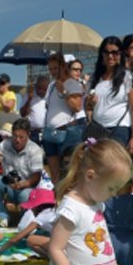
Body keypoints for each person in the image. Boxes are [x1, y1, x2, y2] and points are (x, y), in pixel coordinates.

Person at [0, 119, 44, 220]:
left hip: (27, 187)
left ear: (28, 135)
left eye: (21, 137)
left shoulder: (35, 150)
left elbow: (36, 177)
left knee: (25, 195)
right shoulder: (3, 145)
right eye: (15, 136)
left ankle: (24, 221)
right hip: (8, 186)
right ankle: (2, 217)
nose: (17, 140)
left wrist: (21, 184)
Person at [41, 53, 86, 183]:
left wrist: (64, 91)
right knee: (54, 174)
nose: (52, 72)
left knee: (71, 172)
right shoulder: (51, 85)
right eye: (50, 69)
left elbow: (77, 106)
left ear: (63, 66)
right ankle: (57, 199)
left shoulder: (72, 83)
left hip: (68, 131)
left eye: (55, 68)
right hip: (51, 133)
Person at [86, 36, 133, 148]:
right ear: (102, 54)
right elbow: (88, 108)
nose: (110, 56)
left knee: (114, 163)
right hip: (97, 129)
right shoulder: (95, 78)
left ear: (120, 54)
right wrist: (89, 103)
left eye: (114, 52)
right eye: (106, 52)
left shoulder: (127, 77)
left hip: (119, 128)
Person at [0, 187, 56, 260]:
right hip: (65, 242)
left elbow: (16, 238)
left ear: (36, 206)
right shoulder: (53, 211)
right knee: (40, 233)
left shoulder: (42, 216)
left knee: (31, 240)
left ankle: (54, 260)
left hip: (64, 246)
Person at [20, 75, 49, 143]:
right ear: (36, 86)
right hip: (33, 133)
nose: (41, 91)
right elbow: (23, 114)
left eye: (44, 89)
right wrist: (29, 99)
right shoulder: (29, 95)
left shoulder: (50, 96)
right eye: (39, 88)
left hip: (47, 132)